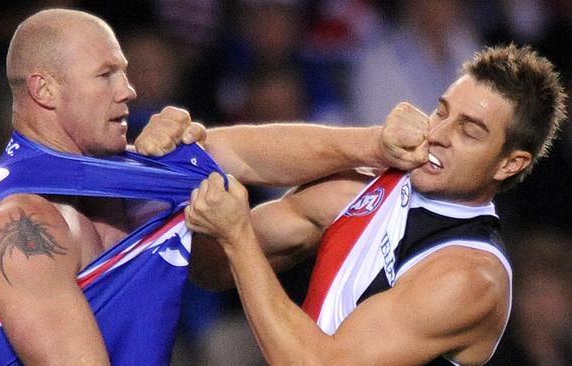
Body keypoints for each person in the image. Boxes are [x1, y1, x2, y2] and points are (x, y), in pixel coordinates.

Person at [0, 8, 430, 365]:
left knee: (342, 194)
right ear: (45, 89)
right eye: (106, 74)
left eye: (125, 73)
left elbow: (241, 152)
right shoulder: (20, 223)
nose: (128, 90)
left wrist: (376, 144)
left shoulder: (122, 172)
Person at [171, 44, 568, 365]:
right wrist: (178, 147)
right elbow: (210, 268)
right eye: (442, 112)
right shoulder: (364, 190)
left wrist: (237, 236)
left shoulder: (470, 277)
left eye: (470, 131)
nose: (440, 134)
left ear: (510, 163)